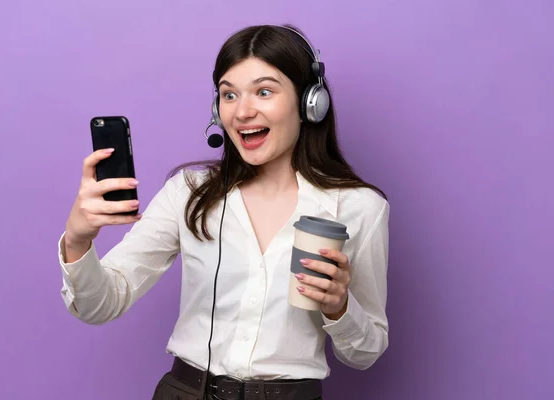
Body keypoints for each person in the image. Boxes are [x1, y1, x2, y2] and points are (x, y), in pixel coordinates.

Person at [58, 24, 390, 400]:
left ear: (309, 103)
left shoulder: (361, 208)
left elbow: (366, 353)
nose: (243, 111)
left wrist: (339, 307)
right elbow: (100, 305)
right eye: (229, 95)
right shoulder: (189, 192)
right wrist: (78, 239)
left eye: (264, 92)